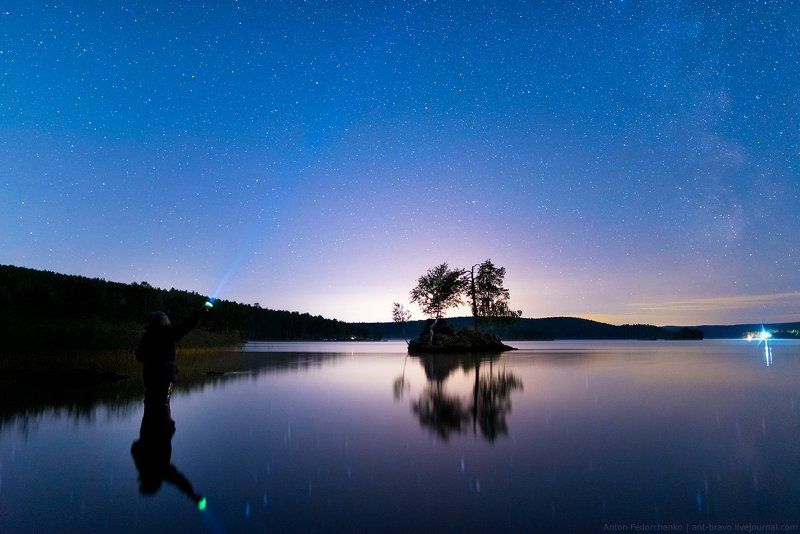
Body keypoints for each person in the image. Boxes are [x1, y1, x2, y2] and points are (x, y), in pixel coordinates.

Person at [135, 305, 207, 407]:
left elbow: (139, 355)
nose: (169, 320)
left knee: (150, 405)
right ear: (162, 321)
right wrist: (200, 312)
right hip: (163, 378)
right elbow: (185, 325)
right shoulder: (165, 333)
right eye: (167, 318)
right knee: (162, 407)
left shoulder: (147, 336)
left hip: (149, 377)